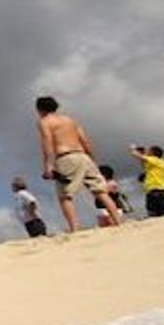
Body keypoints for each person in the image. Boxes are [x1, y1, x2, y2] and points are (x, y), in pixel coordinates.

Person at [35, 96, 122, 231]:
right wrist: (91, 158)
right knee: (100, 191)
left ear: (39, 109)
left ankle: (74, 228)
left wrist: (48, 165)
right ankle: (118, 221)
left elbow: (47, 142)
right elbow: (84, 139)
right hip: (83, 155)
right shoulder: (70, 120)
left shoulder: (44, 122)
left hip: (65, 157)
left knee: (65, 196)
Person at [128, 145, 164, 216]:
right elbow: (143, 163)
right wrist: (142, 154)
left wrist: (133, 149)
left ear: (153, 153)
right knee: (153, 211)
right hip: (151, 190)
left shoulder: (157, 160)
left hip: (157, 189)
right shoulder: (155, 162)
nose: (147, 152)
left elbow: (137, 155)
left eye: (149, 150)